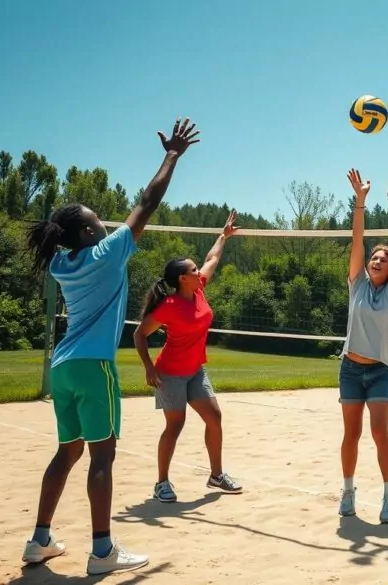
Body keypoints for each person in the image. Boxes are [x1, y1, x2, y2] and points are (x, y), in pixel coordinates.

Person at [22, 117, 200, 574]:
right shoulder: (106, 253)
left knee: (68, 451)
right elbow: (147, 201)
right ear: (86, 233)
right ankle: (102, 551)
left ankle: (39, 539)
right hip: (93, 366)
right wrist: (172, 155)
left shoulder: (61, 263)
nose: (104, 224)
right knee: (103, 455)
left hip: (63, 367)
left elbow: (120, 214)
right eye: (96, 221)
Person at [132, 210, 245, 504]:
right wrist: (148, 367)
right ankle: (161, 483)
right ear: (183, 279)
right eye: (193, 271)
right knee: (176, 425)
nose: (199, 272)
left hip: (195, 370)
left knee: (214, 418)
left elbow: (212, 259)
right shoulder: (168, 306)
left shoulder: (199, 290)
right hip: (169, 373)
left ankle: (216, 475)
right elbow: (139, 335)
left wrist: (224, 234)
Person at [338, 168, 388, 524]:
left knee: (380, 432)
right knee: (351, 434)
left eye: (383, 259)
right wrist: (361, 201)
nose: (377, 260)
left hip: (379, 371)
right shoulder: (357, 284)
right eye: (374, 259)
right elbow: (357, 242)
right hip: (350, 369)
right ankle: (348, 490)